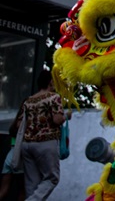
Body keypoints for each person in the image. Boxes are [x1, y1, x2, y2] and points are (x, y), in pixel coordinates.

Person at [20, 69, 69, 201]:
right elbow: (57, 120)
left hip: (26, 144)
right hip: (45, 143)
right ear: (50, 81)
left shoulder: (28, 101)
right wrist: (66, 116)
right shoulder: (54, 97)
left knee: (32, 183)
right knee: (52, 178)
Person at [0, 106, 25, 200]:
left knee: (3, 191)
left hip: (9, 157)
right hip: (19, 159)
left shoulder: (15, 122)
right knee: (22, 192)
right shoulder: (25, 122)